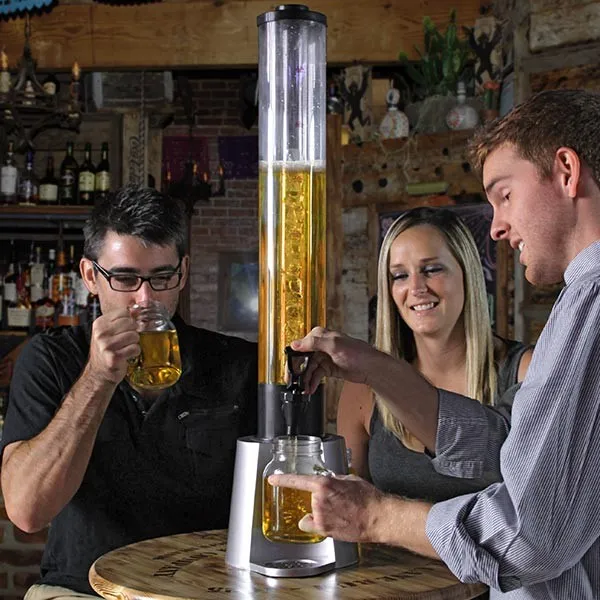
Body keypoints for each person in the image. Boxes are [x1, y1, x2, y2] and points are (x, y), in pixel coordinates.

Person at [271, 89, 600, 599]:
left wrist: (377, 515)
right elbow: (526, 457)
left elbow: (529, 539)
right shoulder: (579, 302)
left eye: (504, 193)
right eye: (399, 276)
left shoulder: (591, 306)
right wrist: (373, 366)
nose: (497, 226)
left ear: (565, 170)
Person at [0, 185, 258, 599]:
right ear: (90, 277)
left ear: (184, 273)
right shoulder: (50, 359)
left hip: (199, 591)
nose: (145, 298)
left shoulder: (237, 364)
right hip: (81, 591)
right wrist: (98, 379)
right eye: (124, 278)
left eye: (162, 277)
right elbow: (28, 511)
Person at [338, 207, 532, 500]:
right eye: (400, 276)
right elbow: (347, 510)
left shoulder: (525, 371)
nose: (416, 288)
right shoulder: (363, 388)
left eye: (432, 270)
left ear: (467, 273)